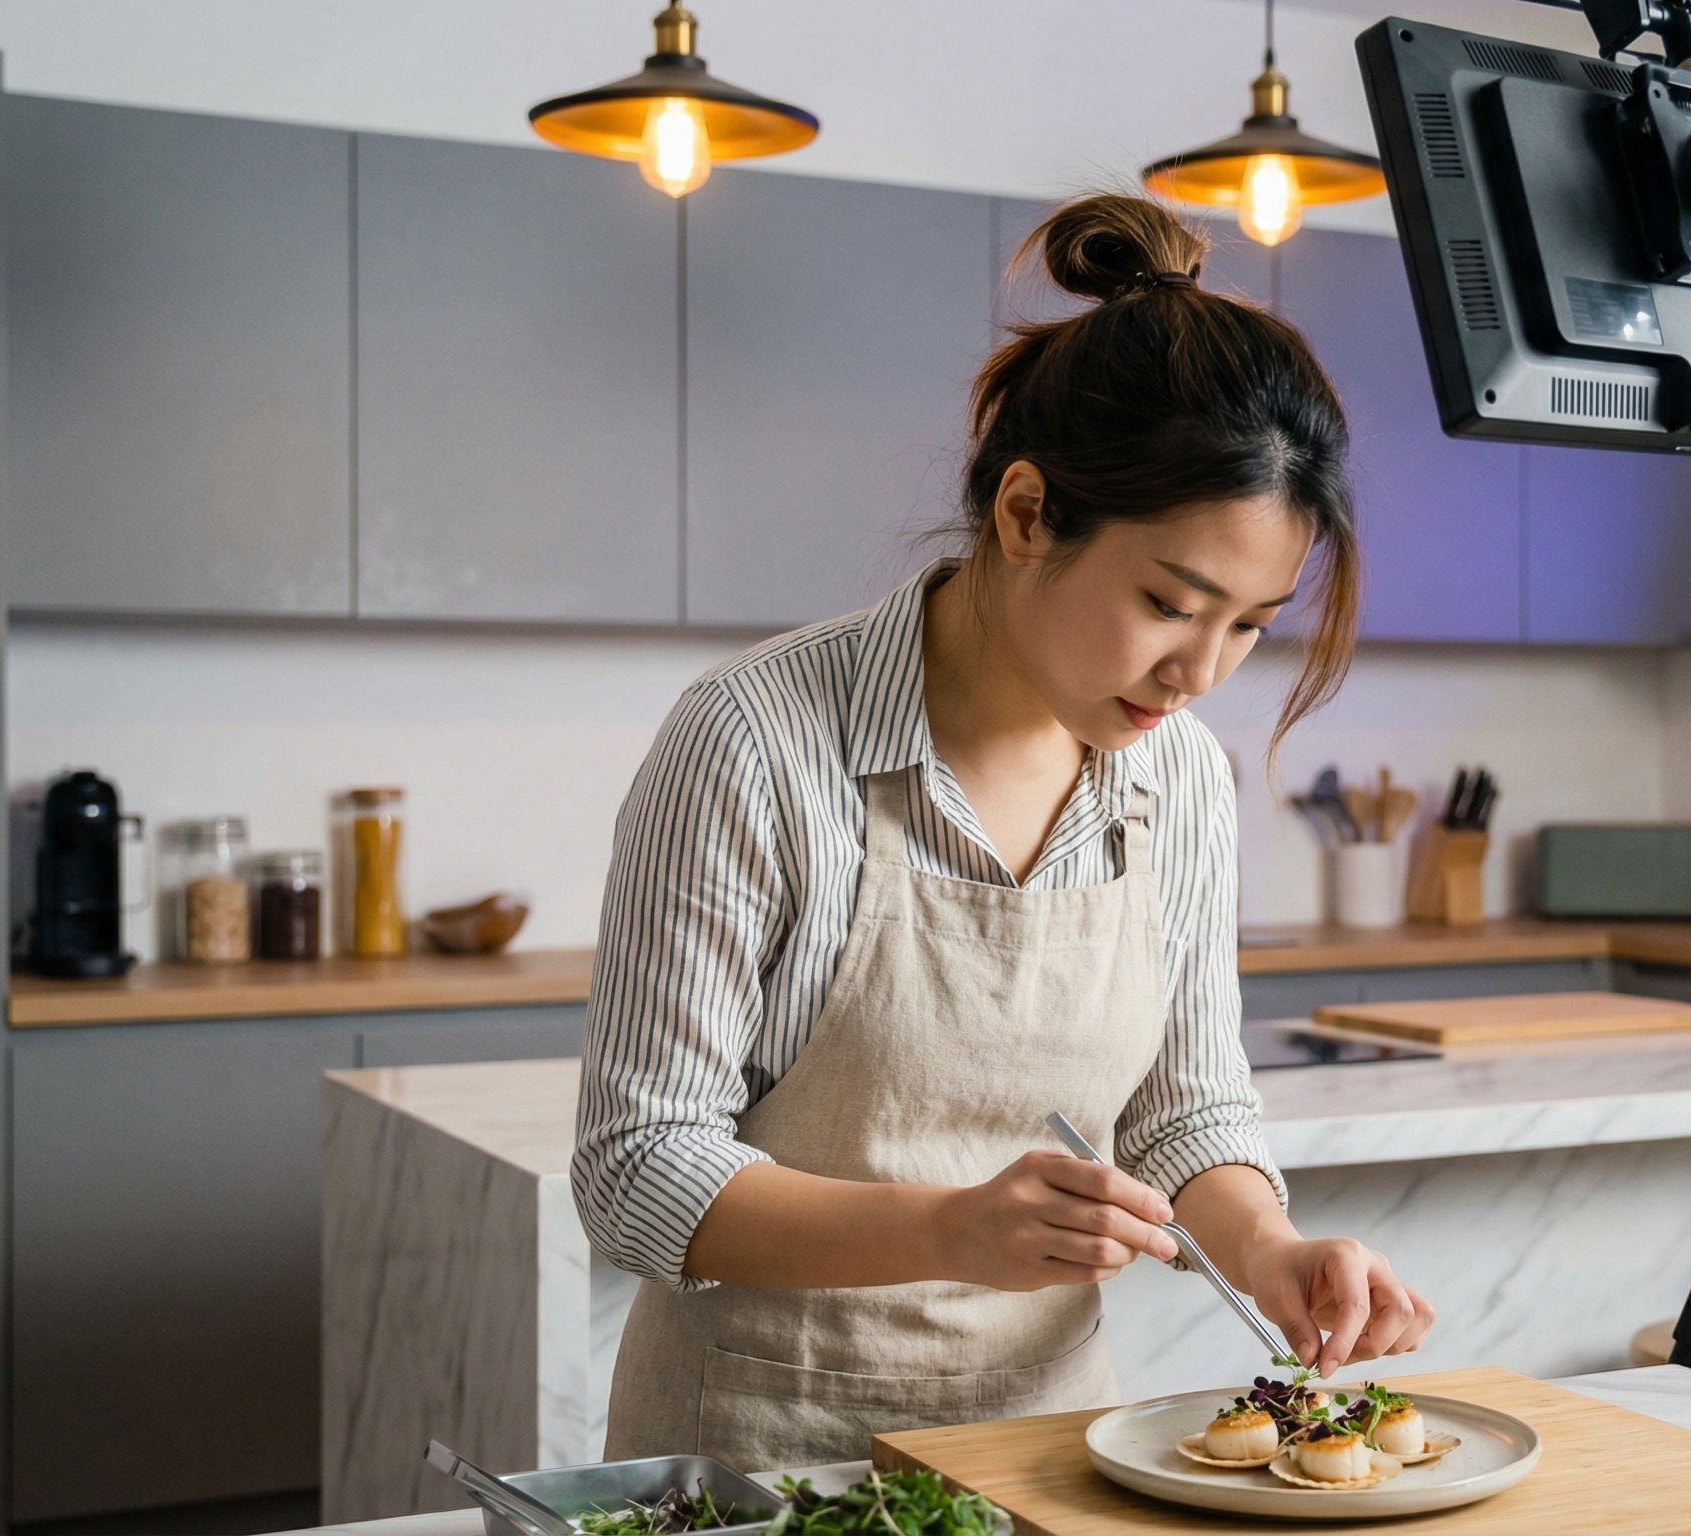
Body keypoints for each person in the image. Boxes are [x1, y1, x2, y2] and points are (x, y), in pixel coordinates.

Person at [575, 191, 1434, 1472]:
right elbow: (637, 1170)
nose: (1200, 671)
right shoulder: (755, 742)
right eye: (1170, 603)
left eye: (1249, 626)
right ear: (1026, 514)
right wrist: (947, 1232)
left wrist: (1270, 1249)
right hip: (758, 1453)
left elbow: (1185, 1110)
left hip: (1052, 1446)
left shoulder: (1178, 778)